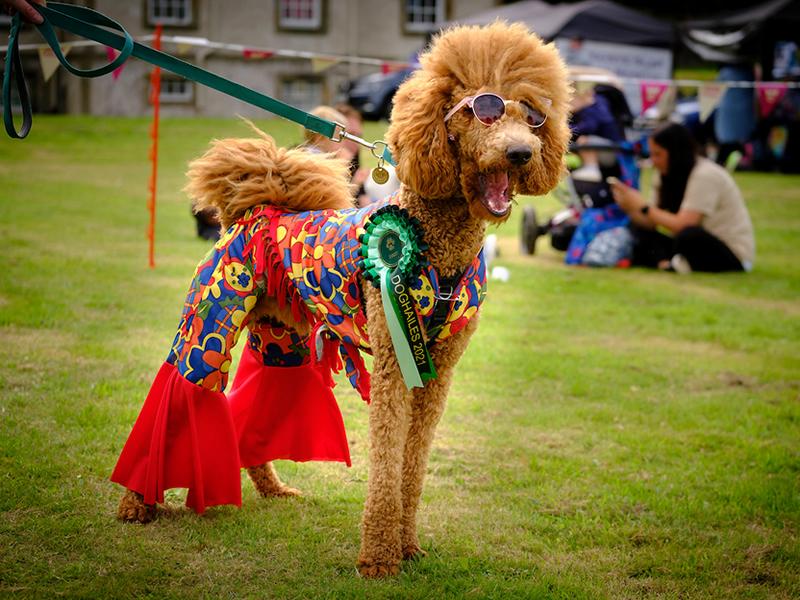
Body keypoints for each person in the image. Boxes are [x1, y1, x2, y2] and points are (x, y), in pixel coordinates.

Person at [610, 122, 755, 273]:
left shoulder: (705, 174)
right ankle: (666, 263)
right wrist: (629, 206)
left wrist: (643, 207)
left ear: (675, 153)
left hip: (728, 253)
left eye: (658, 154)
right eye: (651, 154)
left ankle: (670, 263)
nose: (653, 161)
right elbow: (652, 222)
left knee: (688, 235)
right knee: (638, 230)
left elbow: (683, 225)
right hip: (691, 245)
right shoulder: (664, 174)